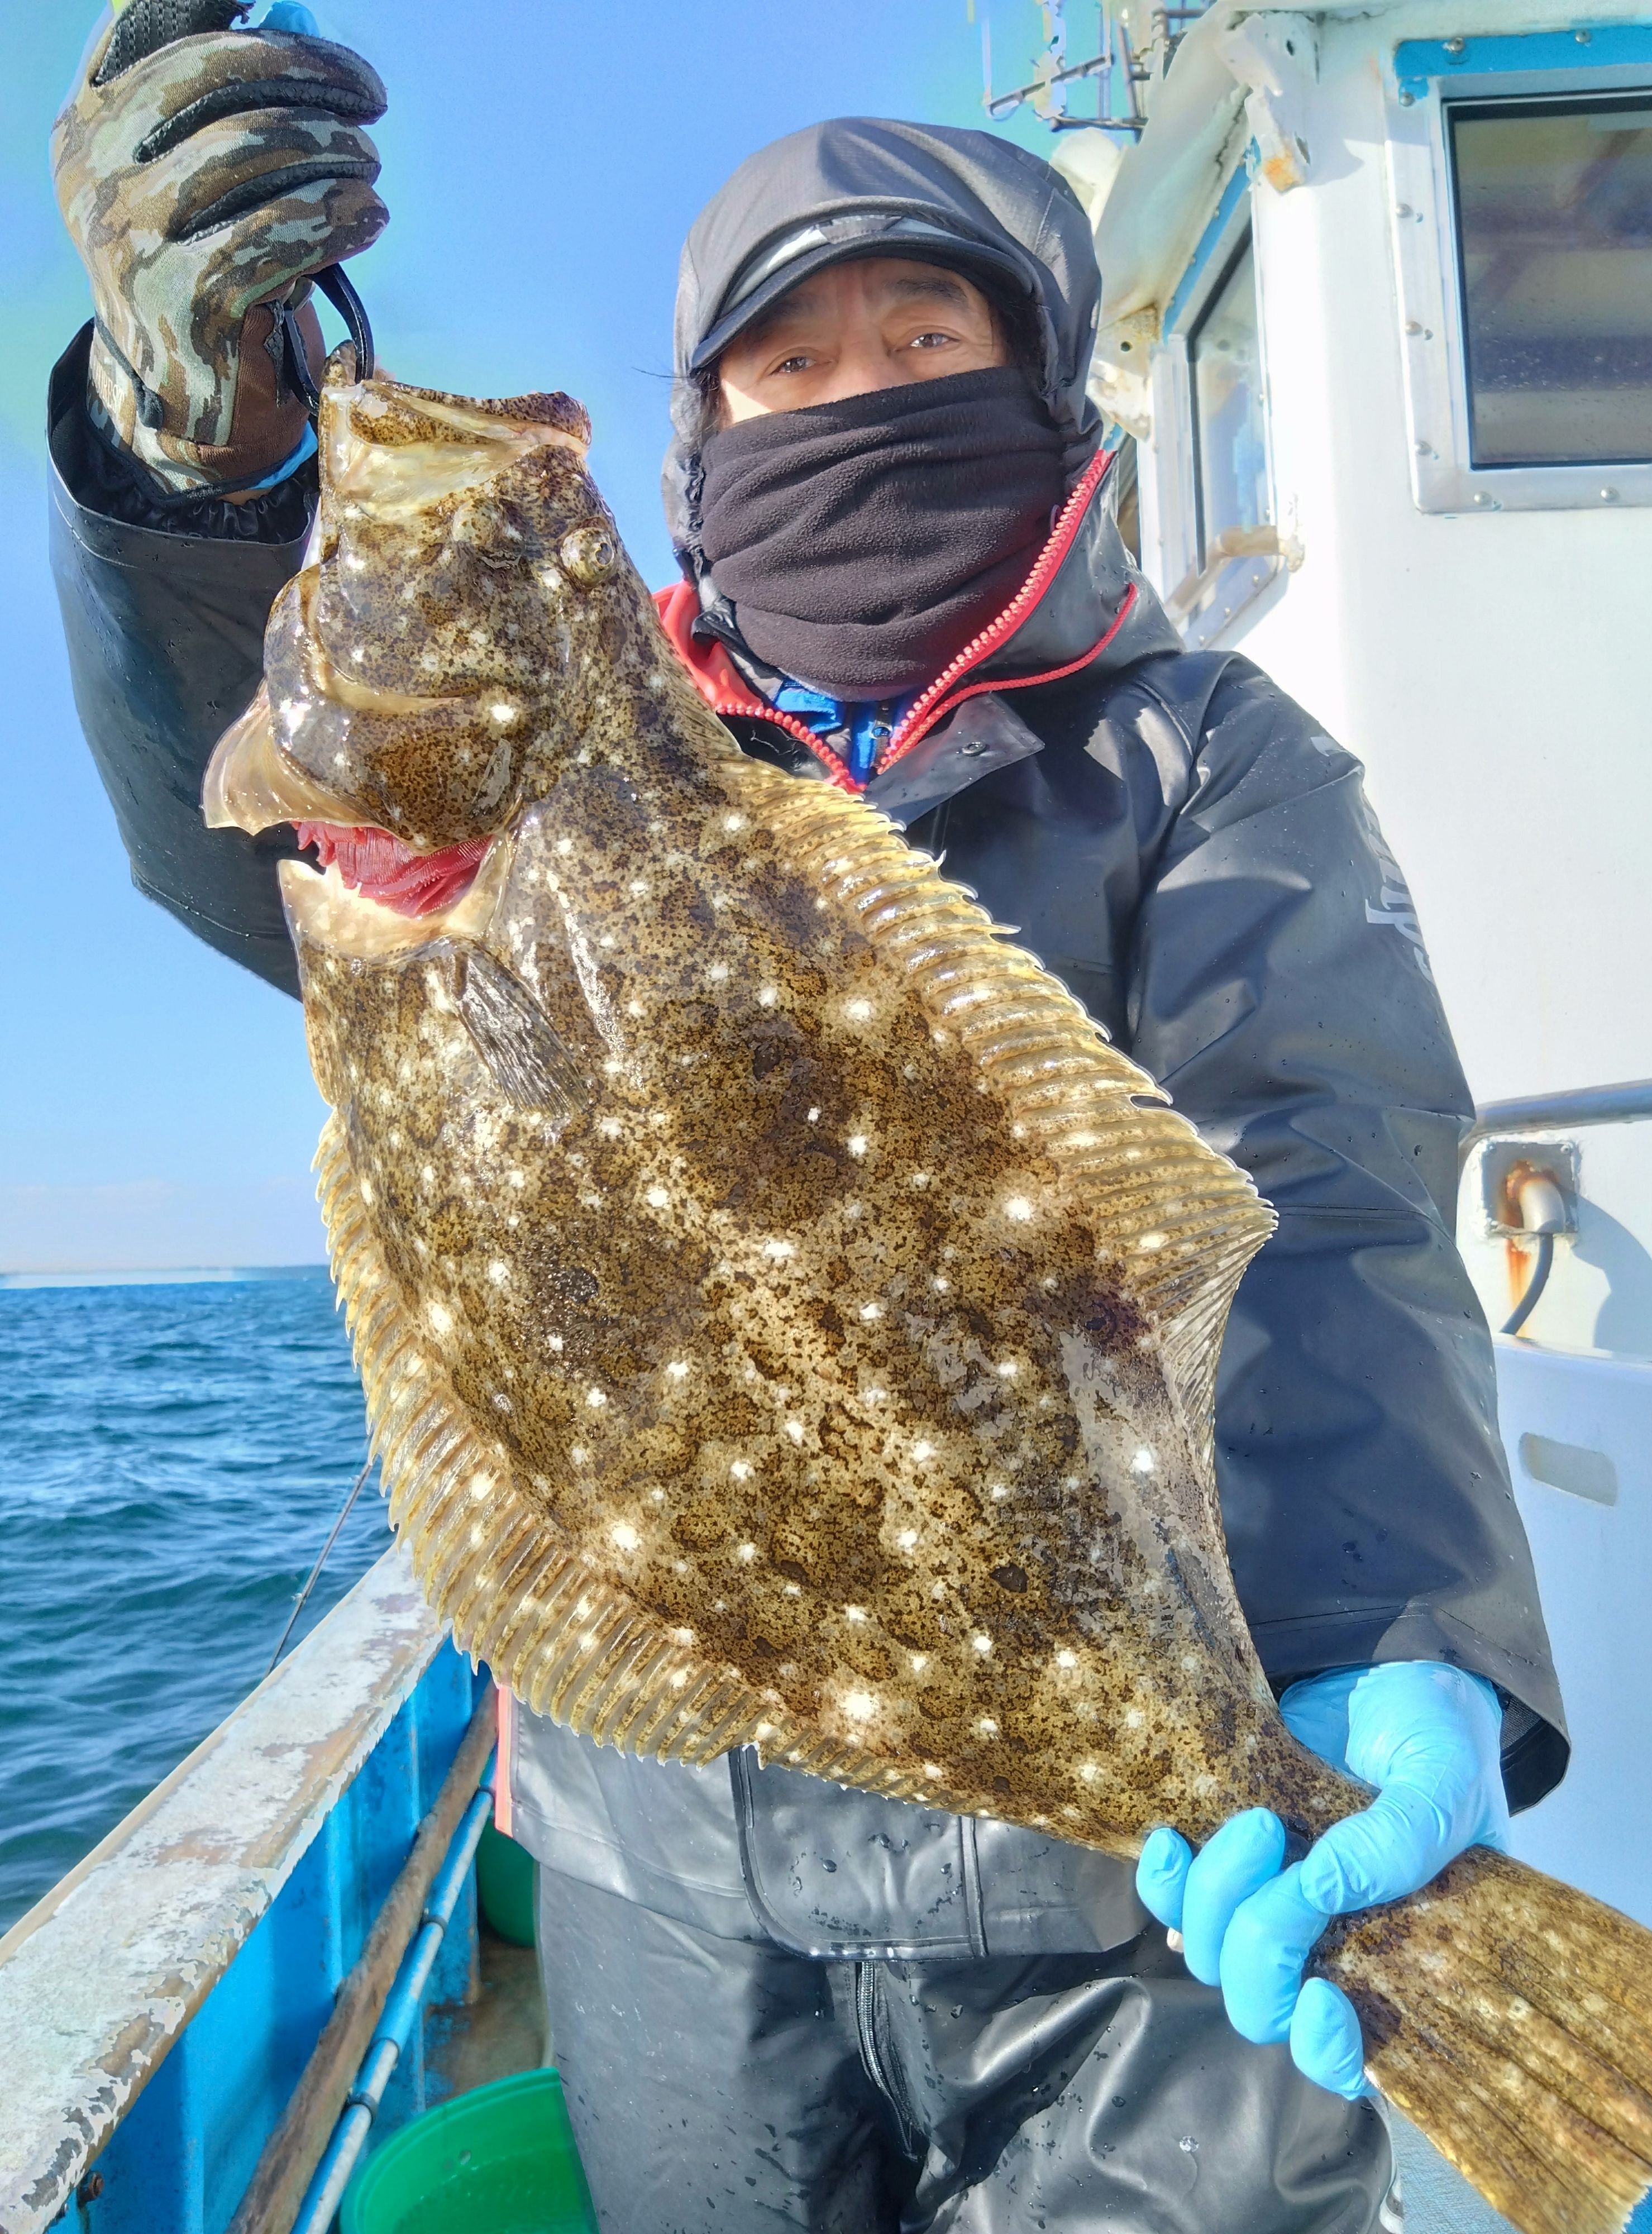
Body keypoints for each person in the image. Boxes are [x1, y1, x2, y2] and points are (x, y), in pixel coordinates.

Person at [48, 9, 1567, 2230]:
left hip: (1125, 1913)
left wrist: (1390, 1632)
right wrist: (193, 468)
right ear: (708, 436)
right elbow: (230, 802)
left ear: (1041, 386)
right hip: (669, 1867)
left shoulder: (1199, 758)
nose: (862, 395)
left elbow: (1328, 1191)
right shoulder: (511, 814)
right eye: (790, 362)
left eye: (925, 338)